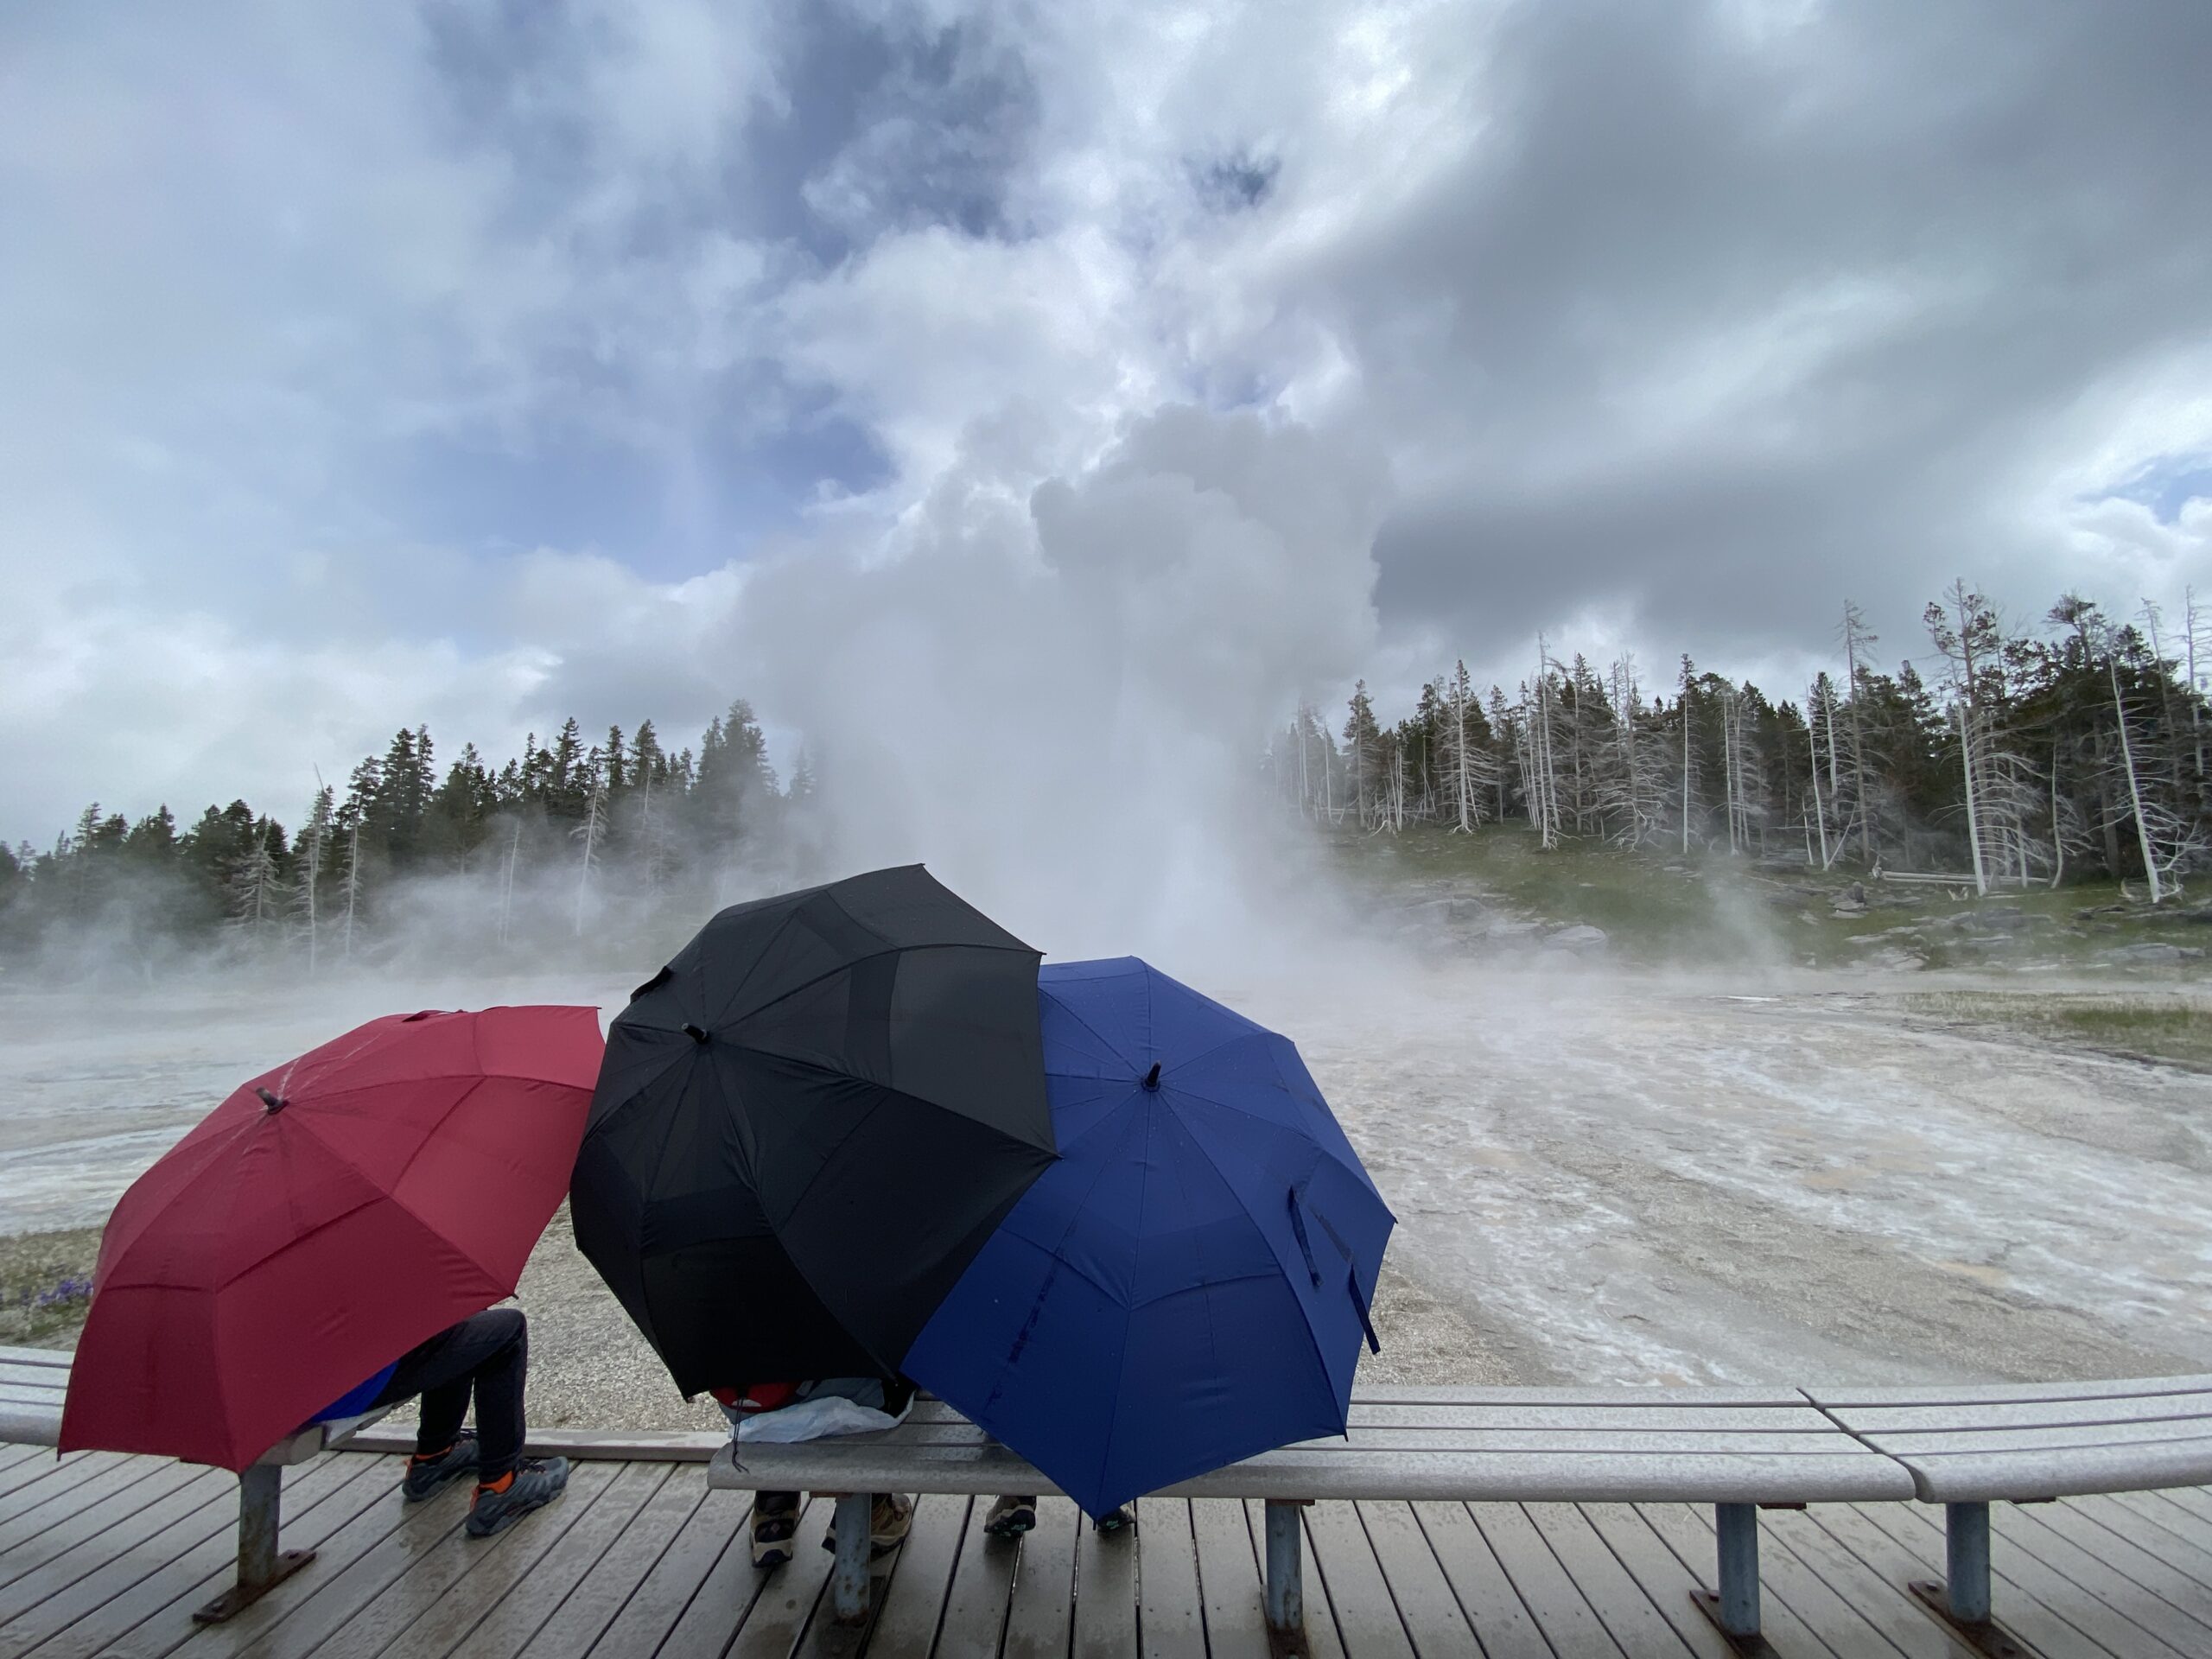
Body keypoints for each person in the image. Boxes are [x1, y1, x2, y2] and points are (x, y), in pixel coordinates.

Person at [320, 1306, 569, 1539]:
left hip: (316, 1385)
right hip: (351, 1386)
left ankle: (436, 1456)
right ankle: (502, 1486)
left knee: (454, 1312)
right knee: (507, 1330)